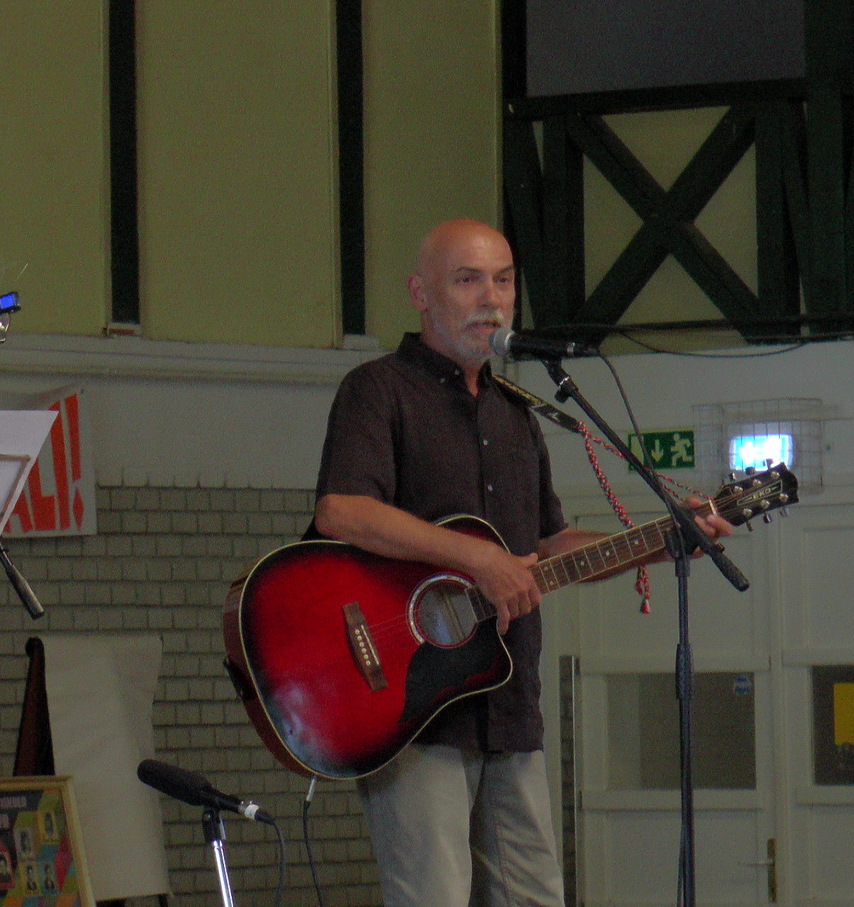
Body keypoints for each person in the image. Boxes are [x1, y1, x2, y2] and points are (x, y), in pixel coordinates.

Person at [309, 219, 731, 906]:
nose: (491, 298)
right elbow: (342, 510)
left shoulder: (516, 415)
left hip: (506, 703)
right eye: (467, 279)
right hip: (411, 708)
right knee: (434, 897)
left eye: (503, 281)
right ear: (419, 293)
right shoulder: (377, 390)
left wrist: (664, 540)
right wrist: (478, 557)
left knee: (535, 897)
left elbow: (549, 546)